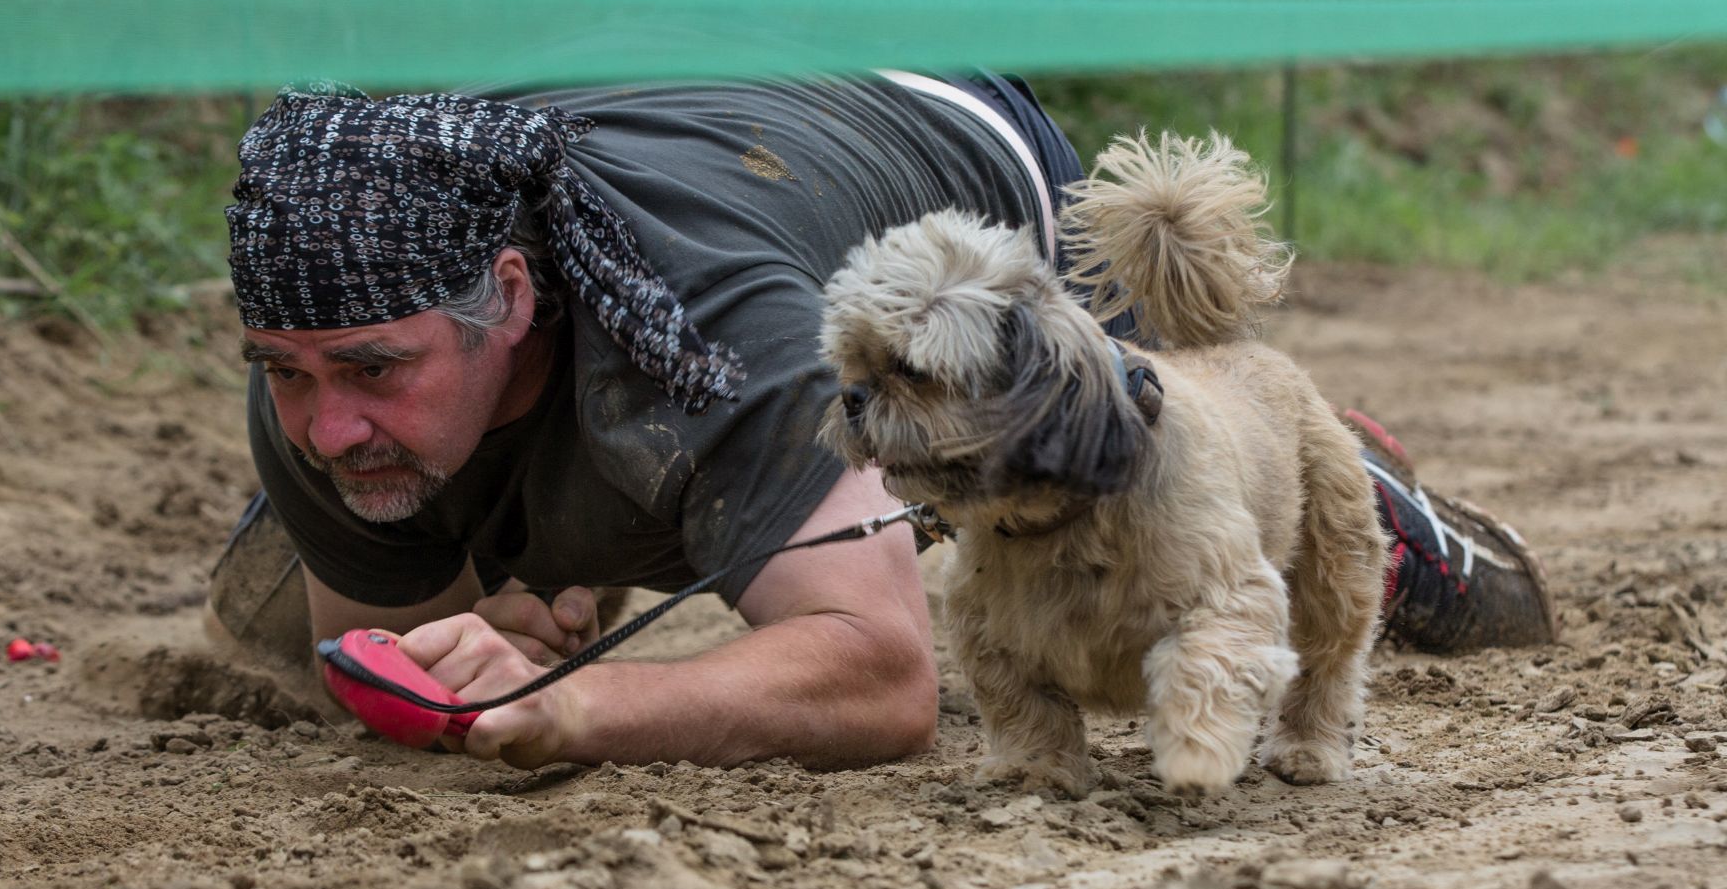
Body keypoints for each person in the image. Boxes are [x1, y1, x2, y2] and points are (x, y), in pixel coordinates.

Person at [208, 72, 1556, 772]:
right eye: (286, 373)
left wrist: (577, 703)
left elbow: (882, 673)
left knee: (1147, 486)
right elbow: (381, 654)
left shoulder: (715, 336)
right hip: (715, 123)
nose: (327, 427)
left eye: (374, 373)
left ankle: (1362, 485)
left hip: (945, 152)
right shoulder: (331, 348)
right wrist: (480, 639)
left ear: (508, 293)